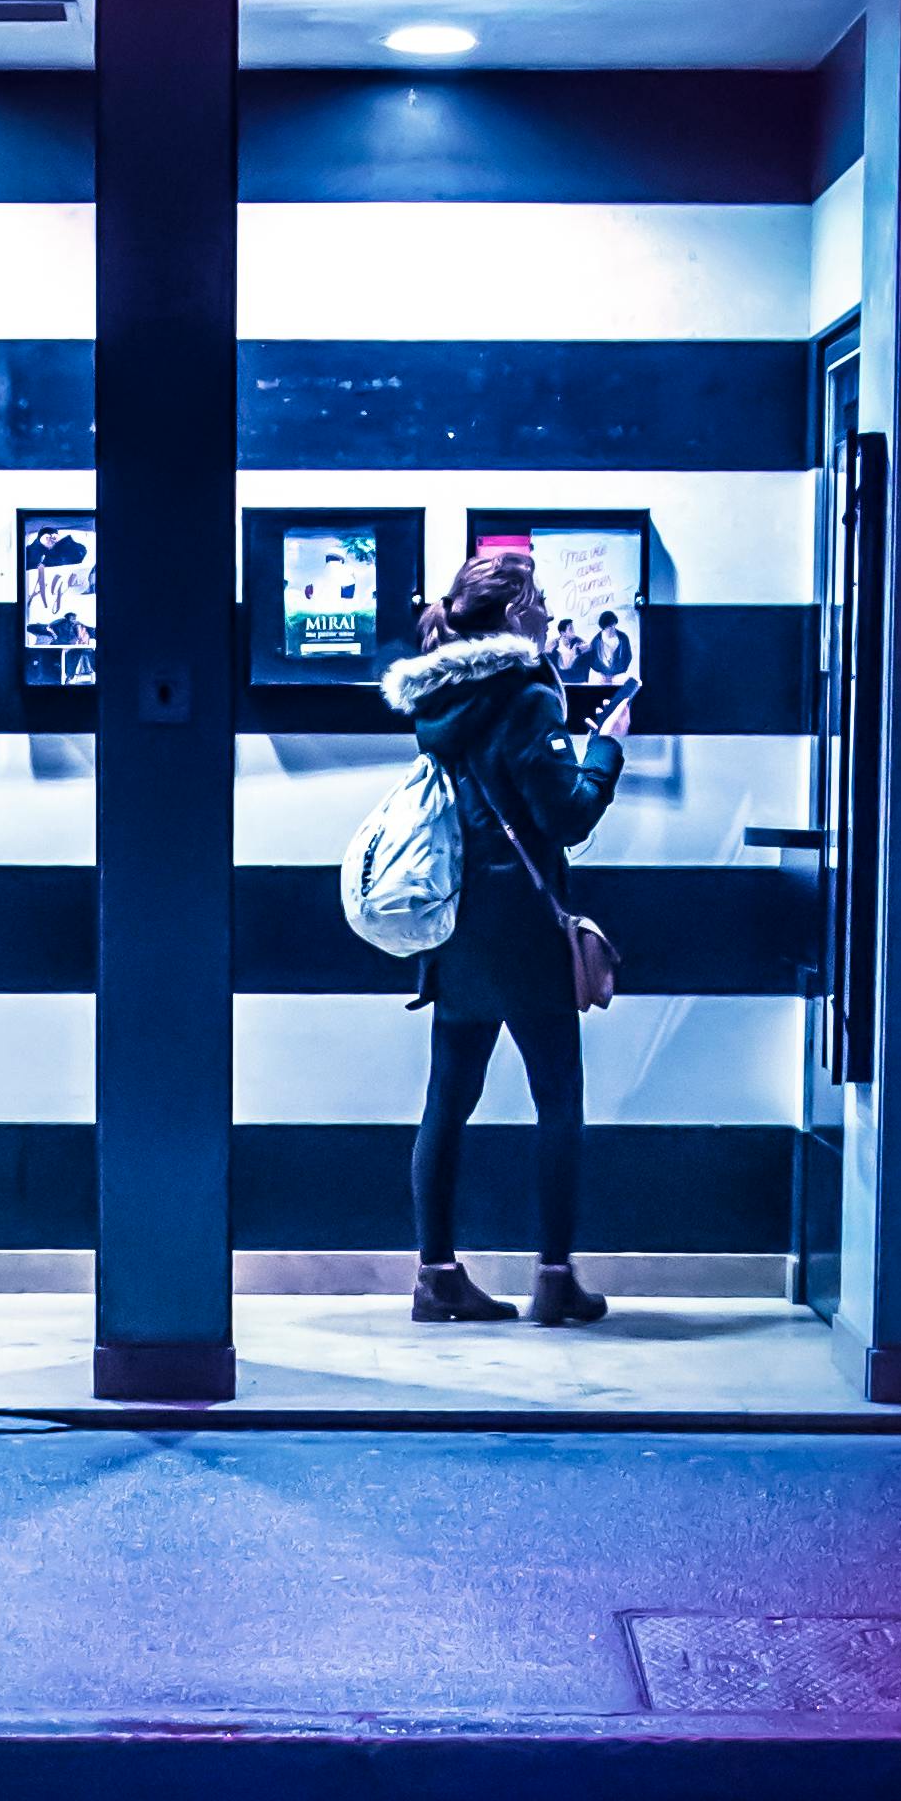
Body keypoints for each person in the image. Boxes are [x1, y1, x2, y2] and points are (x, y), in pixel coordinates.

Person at [382, 545, 631, 1330]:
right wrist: (606, 748)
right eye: (540, 603)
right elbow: (566, 815)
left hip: (457, 923)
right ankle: (554, 1278)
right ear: (517, 613)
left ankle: (437, 1274)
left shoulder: (439, 698)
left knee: (447, 1100)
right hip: (524, 926)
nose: (549, 613)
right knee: (557, 1096)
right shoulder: (527, 697)